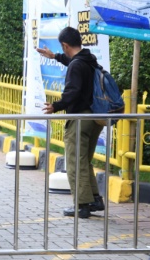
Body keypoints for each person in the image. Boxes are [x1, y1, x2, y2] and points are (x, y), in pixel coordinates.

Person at [37, 27, 105, 218]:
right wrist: (55, 56)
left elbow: (73, 91)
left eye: (62, 48)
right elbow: (73, 63)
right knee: (84, 159)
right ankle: (94, 199)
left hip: (80, 118)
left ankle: (82, 204)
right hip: (94, 118)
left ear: (65, 45)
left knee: (75, 161)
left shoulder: (77, 65)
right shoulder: (88, 60)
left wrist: (56, 106)